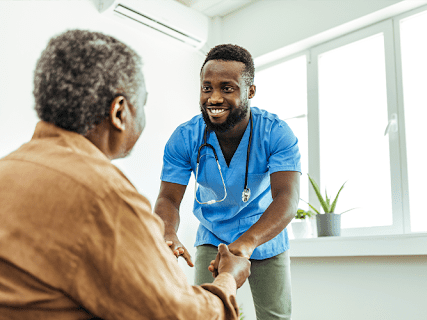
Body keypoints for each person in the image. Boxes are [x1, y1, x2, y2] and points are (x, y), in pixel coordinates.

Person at [0, 30, 251, 320]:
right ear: (120, 112)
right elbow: (183, 315)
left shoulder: (8, 169)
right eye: (141, 103)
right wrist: (228, 279)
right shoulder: (104, 196)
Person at [155, 44, 301, 320]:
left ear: (250, 91)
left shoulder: (276, 133)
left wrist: (247, 243)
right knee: (205, 313)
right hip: (213, 235)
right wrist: (167, 232)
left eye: (227, 88)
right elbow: (168, 199)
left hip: (265, 237)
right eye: (207, 88)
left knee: (275, 316)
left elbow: (287, 198)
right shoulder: (185, 137)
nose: (214, 97)